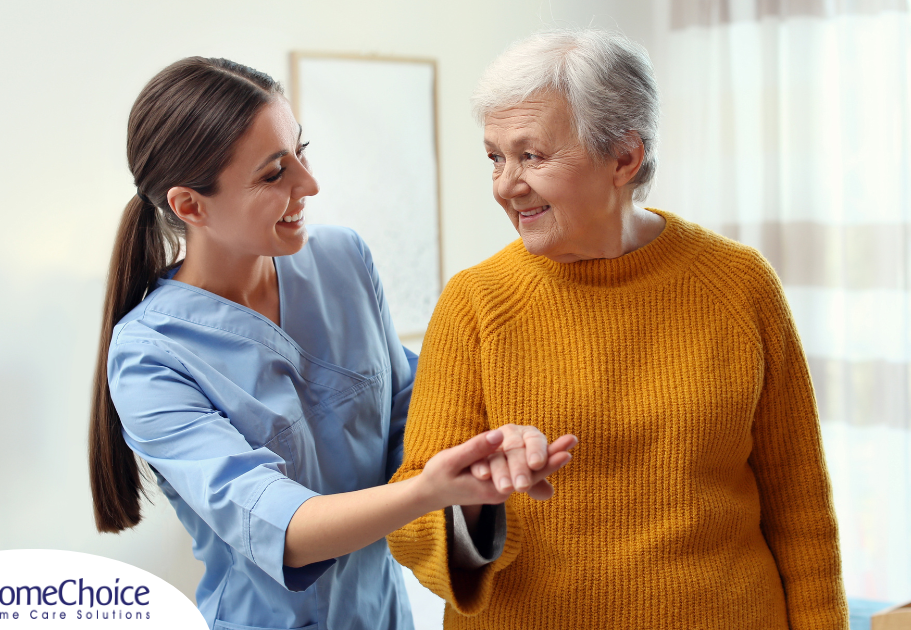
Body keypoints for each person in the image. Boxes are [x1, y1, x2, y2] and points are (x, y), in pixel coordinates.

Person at [86, 57, 575, 630]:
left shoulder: (343, 259)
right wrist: (428, 489)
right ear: (190, 206)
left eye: (301, 151)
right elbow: (281, 530)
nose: (309, 184)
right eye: (274, 174)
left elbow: (406, 418)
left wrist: (480, 461)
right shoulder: (150, 355)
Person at [388, 30, 849, 629]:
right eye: (496, 157)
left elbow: (802, 509)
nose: (506, 184)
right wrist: (475, 499)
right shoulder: (475, 302)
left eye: (533, 155)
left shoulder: (739, 284)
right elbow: (413, 522)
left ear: (624, 158)